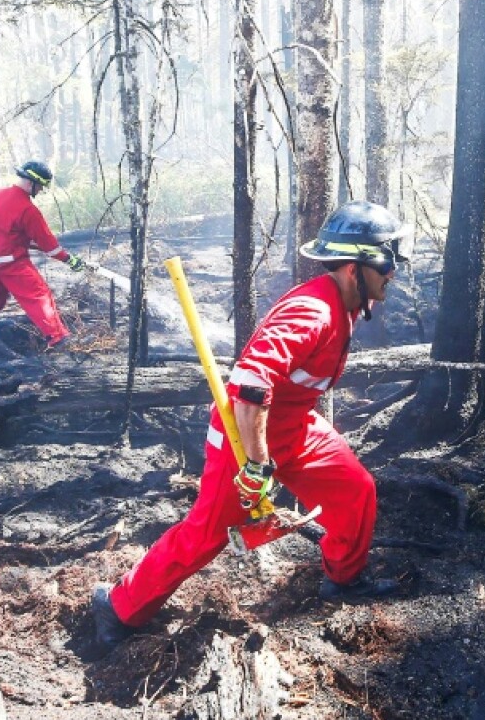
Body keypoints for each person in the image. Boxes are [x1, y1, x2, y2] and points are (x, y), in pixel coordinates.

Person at [93, 200, 410, 647]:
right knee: (205, 536)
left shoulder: (348, 302)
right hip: (244, 436)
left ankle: (344, 578)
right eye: (386, 263)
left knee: (355, 490)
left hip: (295, 426)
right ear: (356, 267)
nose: (393, 273)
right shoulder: (313, 312)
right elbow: (251, 383)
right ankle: (119, 605)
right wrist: (257, 467)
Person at [0, 161, 86, 349]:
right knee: (38, 294)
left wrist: (17, 239)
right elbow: (49, 245)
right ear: (31, 183)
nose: (41, 190)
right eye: (41, 186)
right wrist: (69, 259)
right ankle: (58, 337)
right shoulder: (27, 209)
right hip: (10, 260)